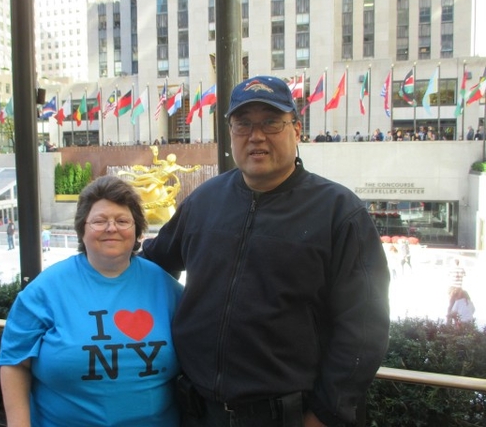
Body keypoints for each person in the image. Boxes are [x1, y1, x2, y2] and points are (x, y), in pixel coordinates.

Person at [140, 76, 390, 427]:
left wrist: (325, 414)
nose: (256, 135)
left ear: (297, 130)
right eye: (243, 123)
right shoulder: (204, 201)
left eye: (271, 122)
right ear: (231, 133)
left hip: (285, 416)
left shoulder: (338, 211)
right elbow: (151, 264)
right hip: (196, 412)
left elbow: (365, 326)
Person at [0, 176, 183, 427]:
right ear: (81, 230)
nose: (111, 228)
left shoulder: (166, 288)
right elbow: (14, 362)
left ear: (138, 231)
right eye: (99, 221)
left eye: (122, 220)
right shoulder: (45, 289)